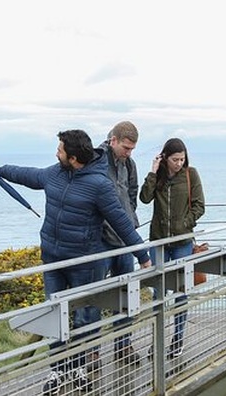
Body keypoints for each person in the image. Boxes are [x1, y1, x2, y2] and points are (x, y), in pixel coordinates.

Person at [0, 129, 151, 394]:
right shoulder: (55, 173)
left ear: (73, 157)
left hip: (84, 263)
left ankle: (78, 367)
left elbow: (122, 222)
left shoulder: (99, 185)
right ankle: (58, 370)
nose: (56, 152)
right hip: (52, 260)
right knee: (54, 315)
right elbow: (28, 175)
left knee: (83, 318)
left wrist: (142, 257)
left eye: (60, 149)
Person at [139, 137, 205, 359]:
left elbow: (199, 205)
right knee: (159, 293)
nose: (179, 163)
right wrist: (152, 171)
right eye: (175, 159)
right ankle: (157, 341)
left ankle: (178, 340)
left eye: (182, 159)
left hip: (182, 244)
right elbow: (144, 198)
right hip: (158, 244)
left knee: (180, 293)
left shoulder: (190, 174)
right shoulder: (157, 176)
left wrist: (184, 225)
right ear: (165, 157)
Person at [97, 121, 141, 365]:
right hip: (101, 241)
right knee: (94, 297)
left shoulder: (129, 164)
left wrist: (129, 220)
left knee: (127, 295)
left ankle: (123, 346)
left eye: (132, 149)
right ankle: (92, 352)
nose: (128, 153)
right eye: (126, 147)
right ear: (112, 140)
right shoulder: (96, 161)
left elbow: (131, 194)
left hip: (124, 240)